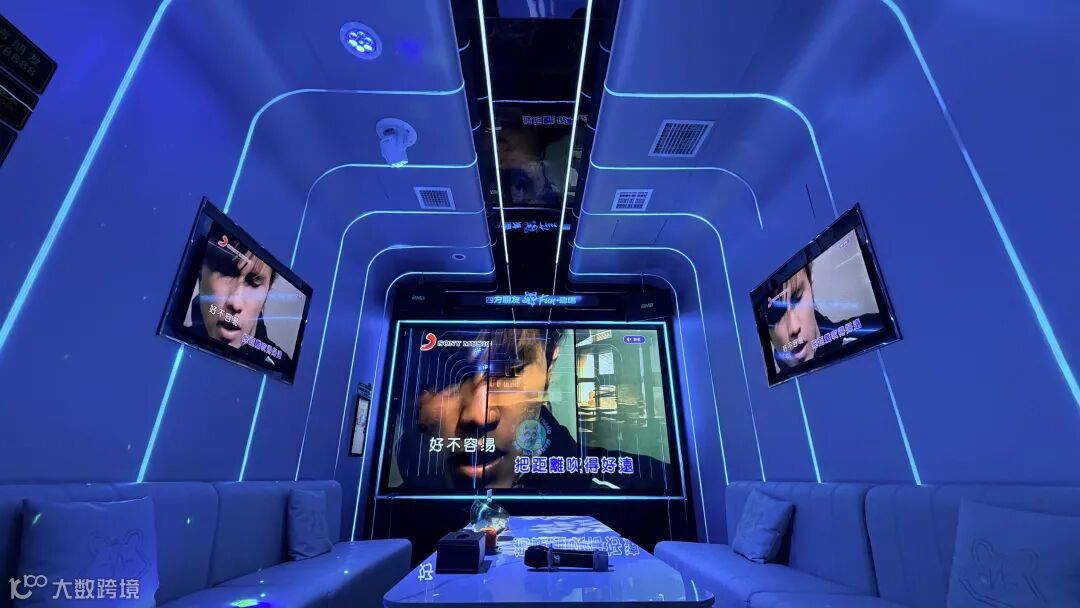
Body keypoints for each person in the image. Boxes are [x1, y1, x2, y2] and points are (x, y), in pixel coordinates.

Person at [395, 328, 666, 491]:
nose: (479, 415)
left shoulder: (646, 490)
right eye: (445, 377)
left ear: (550, 366)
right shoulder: (389, 521)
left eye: (510, 369)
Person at [187, 229, 292, 369]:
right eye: (225, 272)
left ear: (267, 294)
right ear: (200, 274)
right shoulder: (178, 349)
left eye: (254, 282)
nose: (235, 303)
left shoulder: (281, 367)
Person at [766, 263, 881, 372]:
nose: (795, 328)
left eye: (797, 298)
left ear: (810, 285)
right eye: (775, 314)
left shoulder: (873, 331)